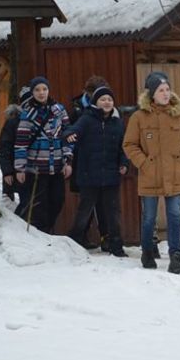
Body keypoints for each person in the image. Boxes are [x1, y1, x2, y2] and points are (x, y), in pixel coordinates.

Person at [122, 71, 180, 274]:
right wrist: (144, 163)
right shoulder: (139, 117)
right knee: (149, 218)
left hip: (174, 175)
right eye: (161, 90)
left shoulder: (178, 114)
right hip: (149, 175)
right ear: (151, 94)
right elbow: (129, 144)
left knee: (174, 217)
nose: (165, 93)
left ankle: (176, 257)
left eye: (168, 89)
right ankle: (147, 252)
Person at [65, 85, 128, 257]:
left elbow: (124, 146)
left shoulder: (117, 123)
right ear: (96, 102)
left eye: (109, 99)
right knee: (84, 211)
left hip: (110, 175)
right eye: (103, 99)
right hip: (88, 175)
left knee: (113, 212)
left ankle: (116, 245)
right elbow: (72, 130)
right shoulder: (87, 119)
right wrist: (69, 134)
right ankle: (74, 243)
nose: (107, 102)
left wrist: (124, 163)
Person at [13, 76, 73, 233]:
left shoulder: (59, 110)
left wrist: (68, 160)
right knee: (38, 204)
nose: (41, 93)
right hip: (36, 166)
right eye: (37, 90)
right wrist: (20, 168)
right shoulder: (27, 114)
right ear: (32, 92)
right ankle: (42, 233)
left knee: (58, 200)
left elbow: (68, 136)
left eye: (44, 89)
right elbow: (21, 142)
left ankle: (48, 229)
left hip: (57, 165)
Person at [67, 75, 110, 250]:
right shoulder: (78, 111)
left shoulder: (107, 109)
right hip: (83, 163)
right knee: (88, 203)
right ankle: (78, 237)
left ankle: (105, 237)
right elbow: (70, 136)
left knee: (103, 203)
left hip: (103, 163)